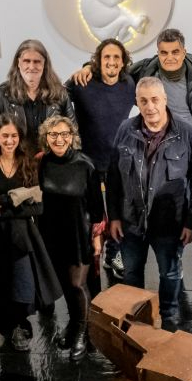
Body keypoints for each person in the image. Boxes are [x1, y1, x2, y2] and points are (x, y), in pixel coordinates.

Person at [107, 76, 192, 330]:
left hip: (170, 224)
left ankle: (170, 321)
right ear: (137, 103)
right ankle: (136, 321)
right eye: (143, 101)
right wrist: (115, 217)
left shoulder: (187, 133)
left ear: (164, 100)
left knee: (170, 273)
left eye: (154, 100)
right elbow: (113, 178)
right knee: (131, 273)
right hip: (131, 221)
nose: (150, 106)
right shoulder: (124, 129)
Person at [0, 116, 61, 351]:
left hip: (19, 232)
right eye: (5, 135)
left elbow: (38, 205)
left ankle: (20, 323)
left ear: (20, 138)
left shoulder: (27, 162)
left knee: (21, 280)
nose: (9, 141)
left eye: (14, 136)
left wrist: (6, 211)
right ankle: (8, 326)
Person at [72, 28, 192, 157]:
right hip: (156, 147)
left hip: (189, 145)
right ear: (158, 53)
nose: (169, 58)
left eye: (175, 52)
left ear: (184, 52)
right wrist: (89, 67)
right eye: (164, 52)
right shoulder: (145, 70)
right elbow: (115, 70)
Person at [65, 38, 136, 279]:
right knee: (91, 212)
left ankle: (113, 254)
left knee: (119, 211)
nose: (112, 62)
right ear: (98, 60)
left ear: (123, 61)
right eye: (107, 57)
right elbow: (59, 98)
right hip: (87, 159)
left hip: (117, 159)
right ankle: (91, 254)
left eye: (117, 57)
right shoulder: (82, 82)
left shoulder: (129, 84)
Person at [38, 116, 105, 361]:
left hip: (79, 234)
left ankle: (82, 332)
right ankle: (74, 324)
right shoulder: (42, 163)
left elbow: (98, 209)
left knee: (78, 285)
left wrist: (96, 240)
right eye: (53, 134)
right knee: (66, 285)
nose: (59, 139)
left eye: (64, 134)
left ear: (72, 136)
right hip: (52, 235)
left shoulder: (86, 165)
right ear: (46, 138)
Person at [0, 39, 75, 155]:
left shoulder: (60, 93)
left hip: (52, 162)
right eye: (26, 61)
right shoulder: (2, 94)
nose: (31, 66)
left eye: (37, 61)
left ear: (45, 64)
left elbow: (73, 133)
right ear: (18, 63)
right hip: (17, 163)